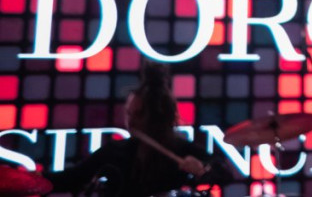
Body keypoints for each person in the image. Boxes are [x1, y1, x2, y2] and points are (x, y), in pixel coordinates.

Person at [47, 61, 226, 196]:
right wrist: (36, 178)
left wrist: (204, 169)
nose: (130, 121)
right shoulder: (116, 151)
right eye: (128, 113)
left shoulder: (181, 149)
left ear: (158, 117)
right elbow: (73, 178)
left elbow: (224, 172)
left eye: (138, 114)